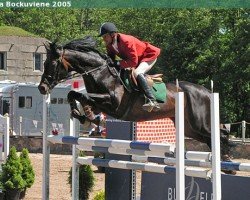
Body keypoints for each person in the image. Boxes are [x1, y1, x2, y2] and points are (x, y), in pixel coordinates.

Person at [99, 22, 161, 112]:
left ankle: (152, 100)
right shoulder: (109, 44)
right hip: (135, 60)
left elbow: (133, 62)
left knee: (137, 73)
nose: (104, 39)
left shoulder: (126, 41)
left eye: (105, 36)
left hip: (148, 56)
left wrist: (117, 63)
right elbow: (111, 59)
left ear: (112, 34)